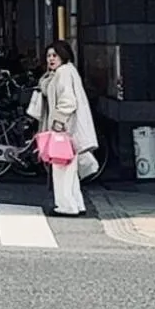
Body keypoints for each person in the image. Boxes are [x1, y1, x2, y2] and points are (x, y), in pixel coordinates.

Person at [36, 40, 99, 218]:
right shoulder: (67, 71)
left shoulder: (63, 73)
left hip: (64, 130)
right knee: (70, 170)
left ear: (63, 55)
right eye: (48, 56)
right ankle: (76, 203)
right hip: (70, 130)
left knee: (61, 169)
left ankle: (65, 206)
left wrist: (58, 121)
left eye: (54, 55)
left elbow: (67, 101)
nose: (51, 59)